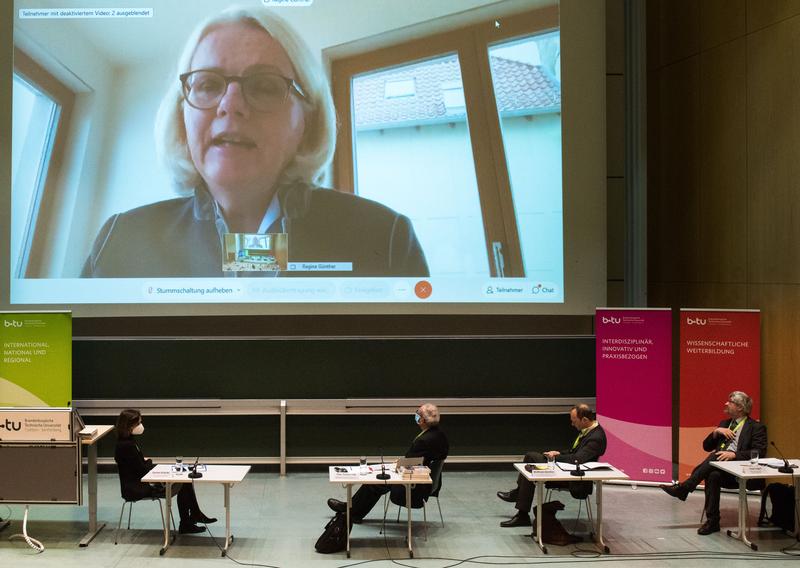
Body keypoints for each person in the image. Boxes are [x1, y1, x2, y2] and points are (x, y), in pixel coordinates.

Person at [82, 6, 428, 278]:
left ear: (306, 121)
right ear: (181, 116)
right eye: (207, 84)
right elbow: (49, 370)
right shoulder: (118, 239)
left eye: (264, 86)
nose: (230, 104)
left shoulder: (385, 239)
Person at [660, 390, 767, 535]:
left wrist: (734, 454)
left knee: (714, 457)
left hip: (741, 472)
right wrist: (716, 432)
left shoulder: (756, 427)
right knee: (713, 474)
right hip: (722, 469)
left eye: (730, 402)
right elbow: (706, 446)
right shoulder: (724, 424)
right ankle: (713, 522)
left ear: (740, 407)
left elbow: (759, 452)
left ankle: (684, 488)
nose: (726, 404)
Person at [326, 403, 449, 522]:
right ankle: (352, 509)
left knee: (375, 482)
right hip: (428, 483)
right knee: (377, 483)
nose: (415, 415)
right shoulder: (440, 435)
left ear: (422, 420)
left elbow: (410, 463)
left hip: (415, 486)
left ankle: (352, 512)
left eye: (418, 413)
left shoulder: (424, 440)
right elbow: (419, 460)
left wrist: (399, 464)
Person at [496, 404, 606, 528]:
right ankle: (520, 506)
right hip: (566, 471)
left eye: (574, 421)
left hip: (575, 479)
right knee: (530, 461)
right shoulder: (589, 431)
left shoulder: (596, 438)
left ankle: (519, 503)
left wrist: (555, 458)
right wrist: (559, 453)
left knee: (531, 457)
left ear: (585, 420)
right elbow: (574, 452)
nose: (572, 424)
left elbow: (577, 459)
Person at [115, 409, 216, 534]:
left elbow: (139, 465)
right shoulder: (127, 446)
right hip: (138, 487)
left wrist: (147, 462)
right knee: (184, 482)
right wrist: (149, 461)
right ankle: (190, 519)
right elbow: (142, 468)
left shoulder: (127, 442)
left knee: (185, 481)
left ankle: (192, 518)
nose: (141, 426)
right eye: (138, 423)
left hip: (140, 481)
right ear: (130, 426)